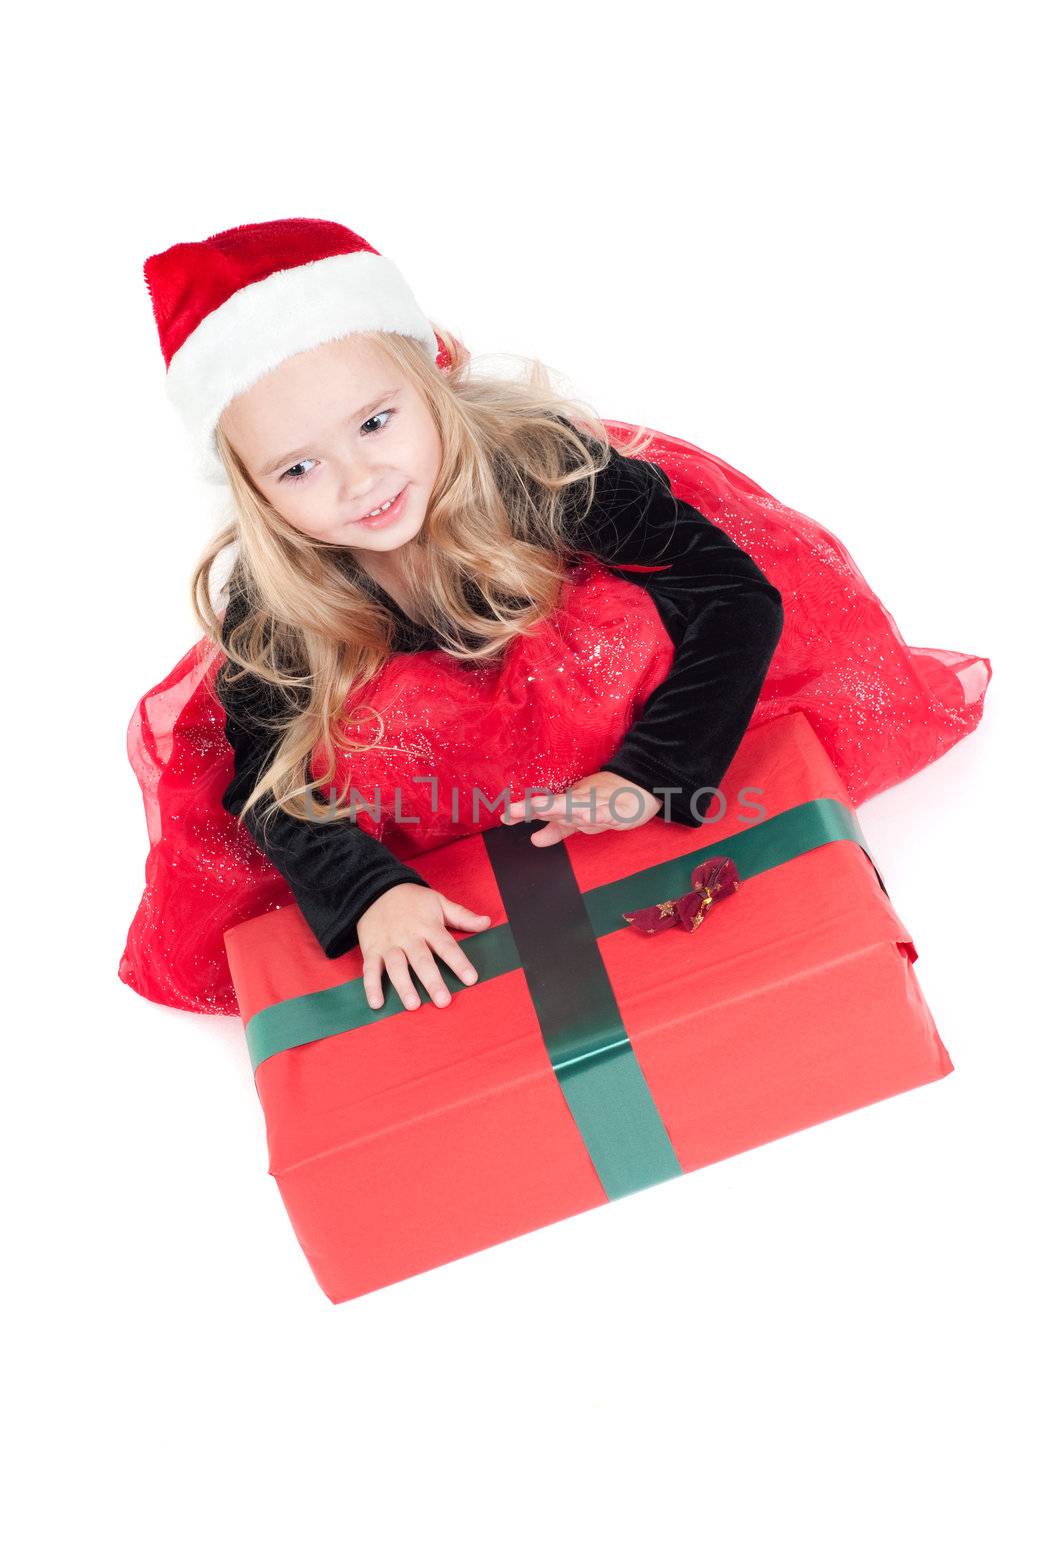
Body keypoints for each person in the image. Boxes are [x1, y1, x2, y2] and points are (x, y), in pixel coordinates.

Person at [119, 216, 991, 1019]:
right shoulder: (274, 605)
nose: (358, 481)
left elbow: (730, 598)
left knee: (626, 622)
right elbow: (271, 785)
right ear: (255, 492)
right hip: (450, 805)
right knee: (355, 728)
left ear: (433, 382)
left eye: (376, 423)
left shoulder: (545, 471)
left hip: (612, 739)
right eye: (298, 470)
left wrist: (654, 770)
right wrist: (368, 892)